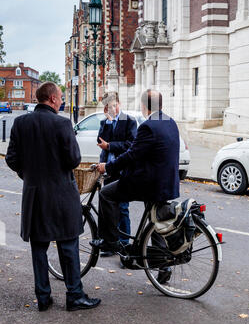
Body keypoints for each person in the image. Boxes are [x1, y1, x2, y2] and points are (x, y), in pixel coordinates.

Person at [5, 82, 101, 312]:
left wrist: (27, 175)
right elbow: (73, 160)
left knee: (39, 248)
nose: (61, 101)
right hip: (61, 195)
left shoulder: (21, 123)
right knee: (68, 246)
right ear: (51, 99)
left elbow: (11, 158)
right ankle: (74, 296)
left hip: (34, 195)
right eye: (60, 97)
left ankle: (43, 297)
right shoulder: (62, 123)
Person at [90, 89, 180, 284]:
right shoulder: (170, 122)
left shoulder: (147, 126)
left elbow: (132, 154)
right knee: (155, 221)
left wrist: (109, 167)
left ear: (145, 106)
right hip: (167, 183)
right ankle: (163, 265)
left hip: (150, 183)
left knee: (106, 194)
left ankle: (110, 241)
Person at [96, 92, 137, 257]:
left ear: (118, 104)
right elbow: (100, 142)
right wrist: (108, 122)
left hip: (123, 171)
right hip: (108, 170)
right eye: (107, 106)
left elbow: (130, 145)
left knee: (122, 208)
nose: (111, 108)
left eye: (112, 105)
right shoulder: (105, 122)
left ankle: (125, 246)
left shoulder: (129, 121)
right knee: (108, 209)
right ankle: (111, 243)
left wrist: (110, 146)